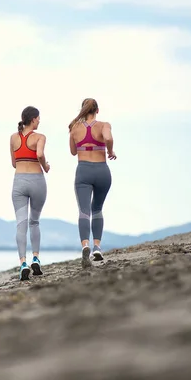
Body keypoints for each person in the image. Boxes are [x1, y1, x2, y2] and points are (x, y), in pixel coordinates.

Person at [68, 98, 117, 268]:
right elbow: (108, 138)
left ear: (82, 110)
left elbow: (73, 152)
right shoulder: (104, 125)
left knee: (84, 211)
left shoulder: (74, 128)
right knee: (97, 209)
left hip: (84, 171)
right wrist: (110, 150)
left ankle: (85, 246)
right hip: (102, 171)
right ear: (97, 110)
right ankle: (97, 247)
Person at [10, 106, 51, 281]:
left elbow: (13, 163)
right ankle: (36, 257)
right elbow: (40, 154)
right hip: (37, 182)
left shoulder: (13, 138)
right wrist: (45, 165)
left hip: (19, 181)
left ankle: (23, 263)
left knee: (21, 224)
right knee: (34, 222)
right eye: (38, 118)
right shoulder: (40, 137)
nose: (39, 121)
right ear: (33, 119)